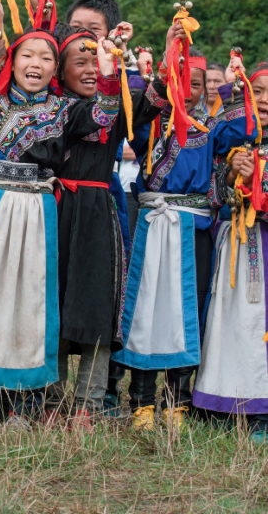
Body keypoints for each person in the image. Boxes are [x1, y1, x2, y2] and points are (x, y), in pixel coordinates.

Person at [0, 24, 120, 429]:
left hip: (40, 209)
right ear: (13, 62)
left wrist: (108, 71)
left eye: (45, 57)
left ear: (55, 68)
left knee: (31, 307)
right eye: (27, 55)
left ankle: (22, 407)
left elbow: (104, 113)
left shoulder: (65, 110)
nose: (35, 63)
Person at [112, 40, 248, 432]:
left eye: (196, 82)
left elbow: (241, 127)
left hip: (193, 229)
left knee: (188, 311)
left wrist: (235, 87)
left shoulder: (210, 130)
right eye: (181, 78)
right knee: (145, 311)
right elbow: (130, 110)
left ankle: (178, 401)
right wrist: (145, 68)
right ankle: (141, 399)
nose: (187, 88)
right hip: (155, 224)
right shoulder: (151, 129)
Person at [47, 0, 169, 429]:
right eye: (75, 62)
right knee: (55, 301)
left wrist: (169, 54)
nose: (86, 68)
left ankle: (89, 402)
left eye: (92, 59)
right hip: (58, 211)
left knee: (97, 307)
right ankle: (53, 399)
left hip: (99, 213)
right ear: (59, 71)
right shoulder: (53, 109)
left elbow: (156, 98)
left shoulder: (118, 107)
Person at [193, 63, 268, 439]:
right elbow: (213, 194)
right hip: (237, 244)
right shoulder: (231, 139)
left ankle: (263, 411)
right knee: (231, 324)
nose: (266, 100)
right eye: (259, 92)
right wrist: (230, 172)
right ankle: (222, 402)